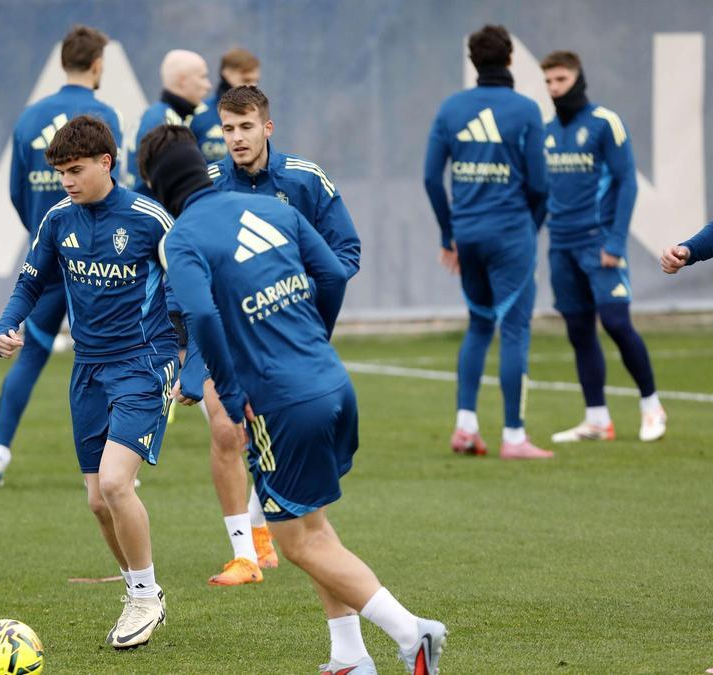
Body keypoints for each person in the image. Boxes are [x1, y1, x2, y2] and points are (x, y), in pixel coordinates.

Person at [142, 126, 446, 675]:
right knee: (313, 526)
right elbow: (331, 271)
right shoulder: (276, 210)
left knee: (298, 543)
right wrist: (310, 336)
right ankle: (349, 657)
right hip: (331, 381)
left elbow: (201, 317)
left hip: (278, 402)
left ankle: (411, 633)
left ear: (157, 187)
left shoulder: (182, 238)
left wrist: (231, 395)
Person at [0, 115, 177, 649]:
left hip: (144, 363)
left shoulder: (149, 219)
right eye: (59, 173)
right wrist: (9, 323)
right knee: (98, 502)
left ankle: (143, 597)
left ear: (106, 162)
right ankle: (142, 590)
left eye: (75, 170)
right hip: (88, 369)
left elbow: (190, 288)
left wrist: (194, 363)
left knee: (118, 483)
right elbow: (30, 282)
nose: (67, 181)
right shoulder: (57, 220)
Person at [193, 84, 361, 587]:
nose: (237, 138)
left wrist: (296, 302)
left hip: (286, 336)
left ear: (267, 128)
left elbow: (345, 254)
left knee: (273, 434)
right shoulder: (206, 186)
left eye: (247, 127)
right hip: (224, 329)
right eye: (228, 129)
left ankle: (268, 525)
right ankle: (244, 553)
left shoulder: (304, 180)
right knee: (226, 427)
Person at [0, 24, 124, 487]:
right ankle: (120, 463)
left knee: (31, 353)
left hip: (49, 259)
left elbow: (16, 192)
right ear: (98, 65)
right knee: (109, 355)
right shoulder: (104, 115)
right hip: (99, 265)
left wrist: (44, 237)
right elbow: (120, 188)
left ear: (64, 61)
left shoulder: (29, 118)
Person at [423, 24, 552, 459]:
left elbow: (430, 178)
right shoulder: (525, 110)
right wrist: (530, 227)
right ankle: (513, 436)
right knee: (513, 328)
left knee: (479, 324)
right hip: (510, 233)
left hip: (469, 236)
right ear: (510, 59)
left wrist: (448, 233)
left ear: (474, 61)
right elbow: (540, 184)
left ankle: (465, 426)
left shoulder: (451, 108)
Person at [540, 50, 665, 443]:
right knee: (578, 329)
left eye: (559, 80)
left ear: (577, 78)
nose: (553, 88)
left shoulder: (605, 123)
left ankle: (651, 406)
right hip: (560, 246)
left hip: (599, 245)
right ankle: (597, 419)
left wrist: (615, 240)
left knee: (615, 322)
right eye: (547, 82)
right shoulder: (546, 131)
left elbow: (627, 181)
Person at [122, 49, 211, 191]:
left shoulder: (155, 114)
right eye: (203, 77)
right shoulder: (166, 123)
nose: (208, 85)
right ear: (183, 80)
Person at [189, 47, 261, 163]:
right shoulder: (198, 114)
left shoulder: (257, 116)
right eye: (246, 80)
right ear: (227, 73)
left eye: (255, 81)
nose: (252, 87)